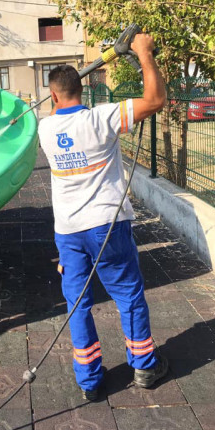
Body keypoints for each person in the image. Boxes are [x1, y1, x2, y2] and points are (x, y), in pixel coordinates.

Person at [38, 32, 168, 401]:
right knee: (127, 294)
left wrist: (59, 93)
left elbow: (58, 111)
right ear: (84, 90)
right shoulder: (102, 118)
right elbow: (155, 100)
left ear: (53, 97)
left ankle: (90, 382)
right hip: (106, 227)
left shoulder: (45, 128)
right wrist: (144, 53)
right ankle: (144, 366)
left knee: (77, 303)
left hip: (68, 233)